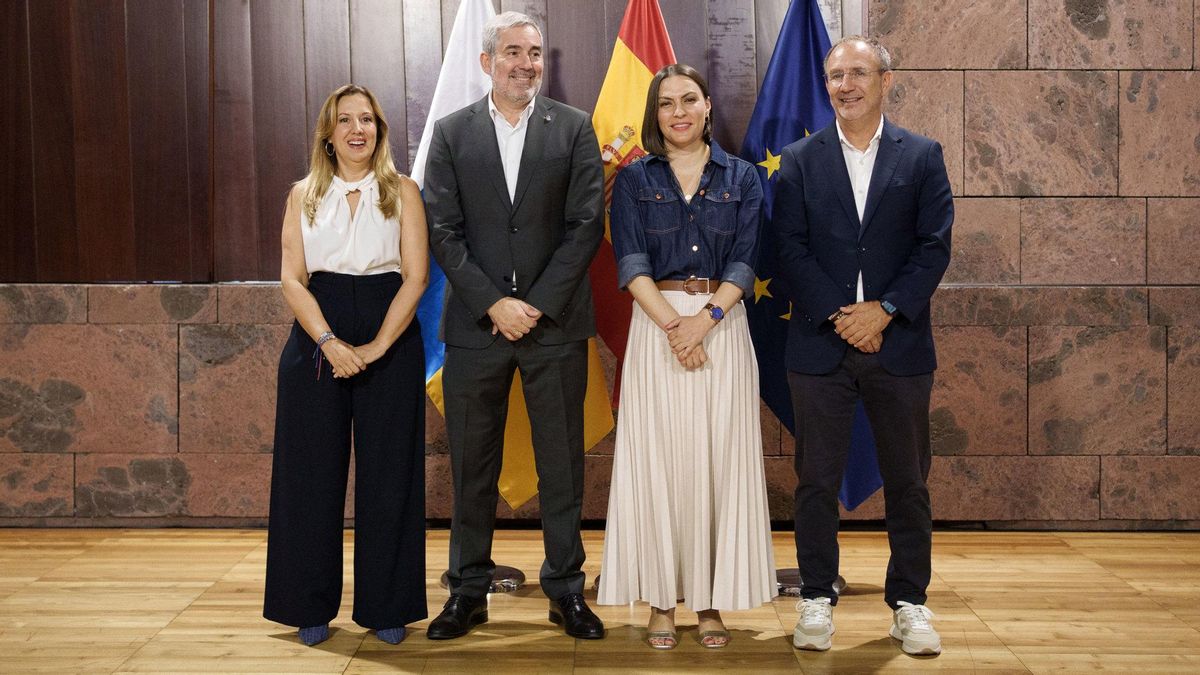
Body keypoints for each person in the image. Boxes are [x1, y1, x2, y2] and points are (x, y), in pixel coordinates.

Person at [423, 11, 606, 640]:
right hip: (477, 327)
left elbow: (587, 226)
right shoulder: (450, 133)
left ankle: (566, 592)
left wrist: (535, 304)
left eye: (534, 53)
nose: (525, 63)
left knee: (562, 464)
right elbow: (441, 231)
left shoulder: (576, 129)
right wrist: (494, 304)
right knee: (472, 465)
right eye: (511, 52)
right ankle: (467, 591)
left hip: (554, 325)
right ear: (486, 62)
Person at [772, 35, 953, 656]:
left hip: (898, 345)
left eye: (857, 73)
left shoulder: (923, 155)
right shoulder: (798, 160)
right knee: (815, 481)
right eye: (834, 76)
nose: (844, 85)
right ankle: (817, 596)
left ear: (885, 80)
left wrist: (885, 311)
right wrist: (839, 314)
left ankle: (910, 602)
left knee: (908, 482)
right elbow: (788, 248)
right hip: (820, 346)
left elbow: (934, 248)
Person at [597, 64, 776, 650]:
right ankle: (659, 600)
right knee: (659, 463)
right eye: (667, 102)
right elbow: (630, 264)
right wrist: (677, 327)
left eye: (689, 100)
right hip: (658, 331)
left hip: (721, 327)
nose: (678, 111)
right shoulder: (632, 180)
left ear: (706, 107)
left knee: (717, 464)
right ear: (656, 113)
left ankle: (709, 600)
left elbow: (747, 261)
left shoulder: (744, 177)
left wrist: (705, 322)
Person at [263, 84, 429, 647]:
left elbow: (417, 278)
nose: (358, 129)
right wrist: (330, 341)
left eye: (367, 120)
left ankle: (389, 605)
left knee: (390, 476)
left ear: (380, 130)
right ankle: (307, 604)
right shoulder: (302, 194)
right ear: (328, 134)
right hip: (318, 335)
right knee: (309, 476)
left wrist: (380, 346)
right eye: (345, 120)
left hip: (392, 334)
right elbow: (292, 278)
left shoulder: (403, 191)